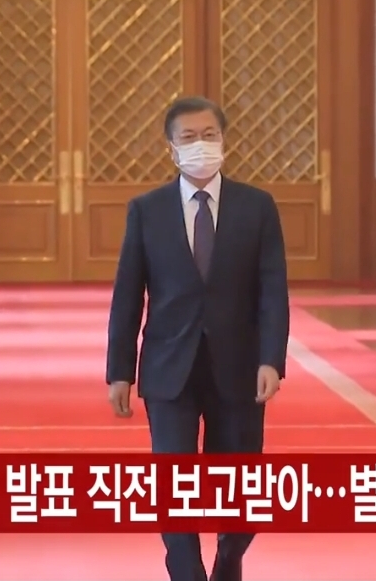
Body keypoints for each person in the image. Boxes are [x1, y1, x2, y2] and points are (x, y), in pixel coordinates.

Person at [105, 96, 291, 581]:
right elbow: (128, 295)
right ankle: (186, 571)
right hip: (168, 370)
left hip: (239, 370)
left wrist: (271, 360)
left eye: (209, 135)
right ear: (171, 149)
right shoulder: (147, 211)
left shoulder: (257, 207)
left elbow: (273, 290)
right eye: (188, 138)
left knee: (240, 484)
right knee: (173, 481)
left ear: (224, 141)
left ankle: (230, 556)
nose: (200, 145)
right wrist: (120, 371)